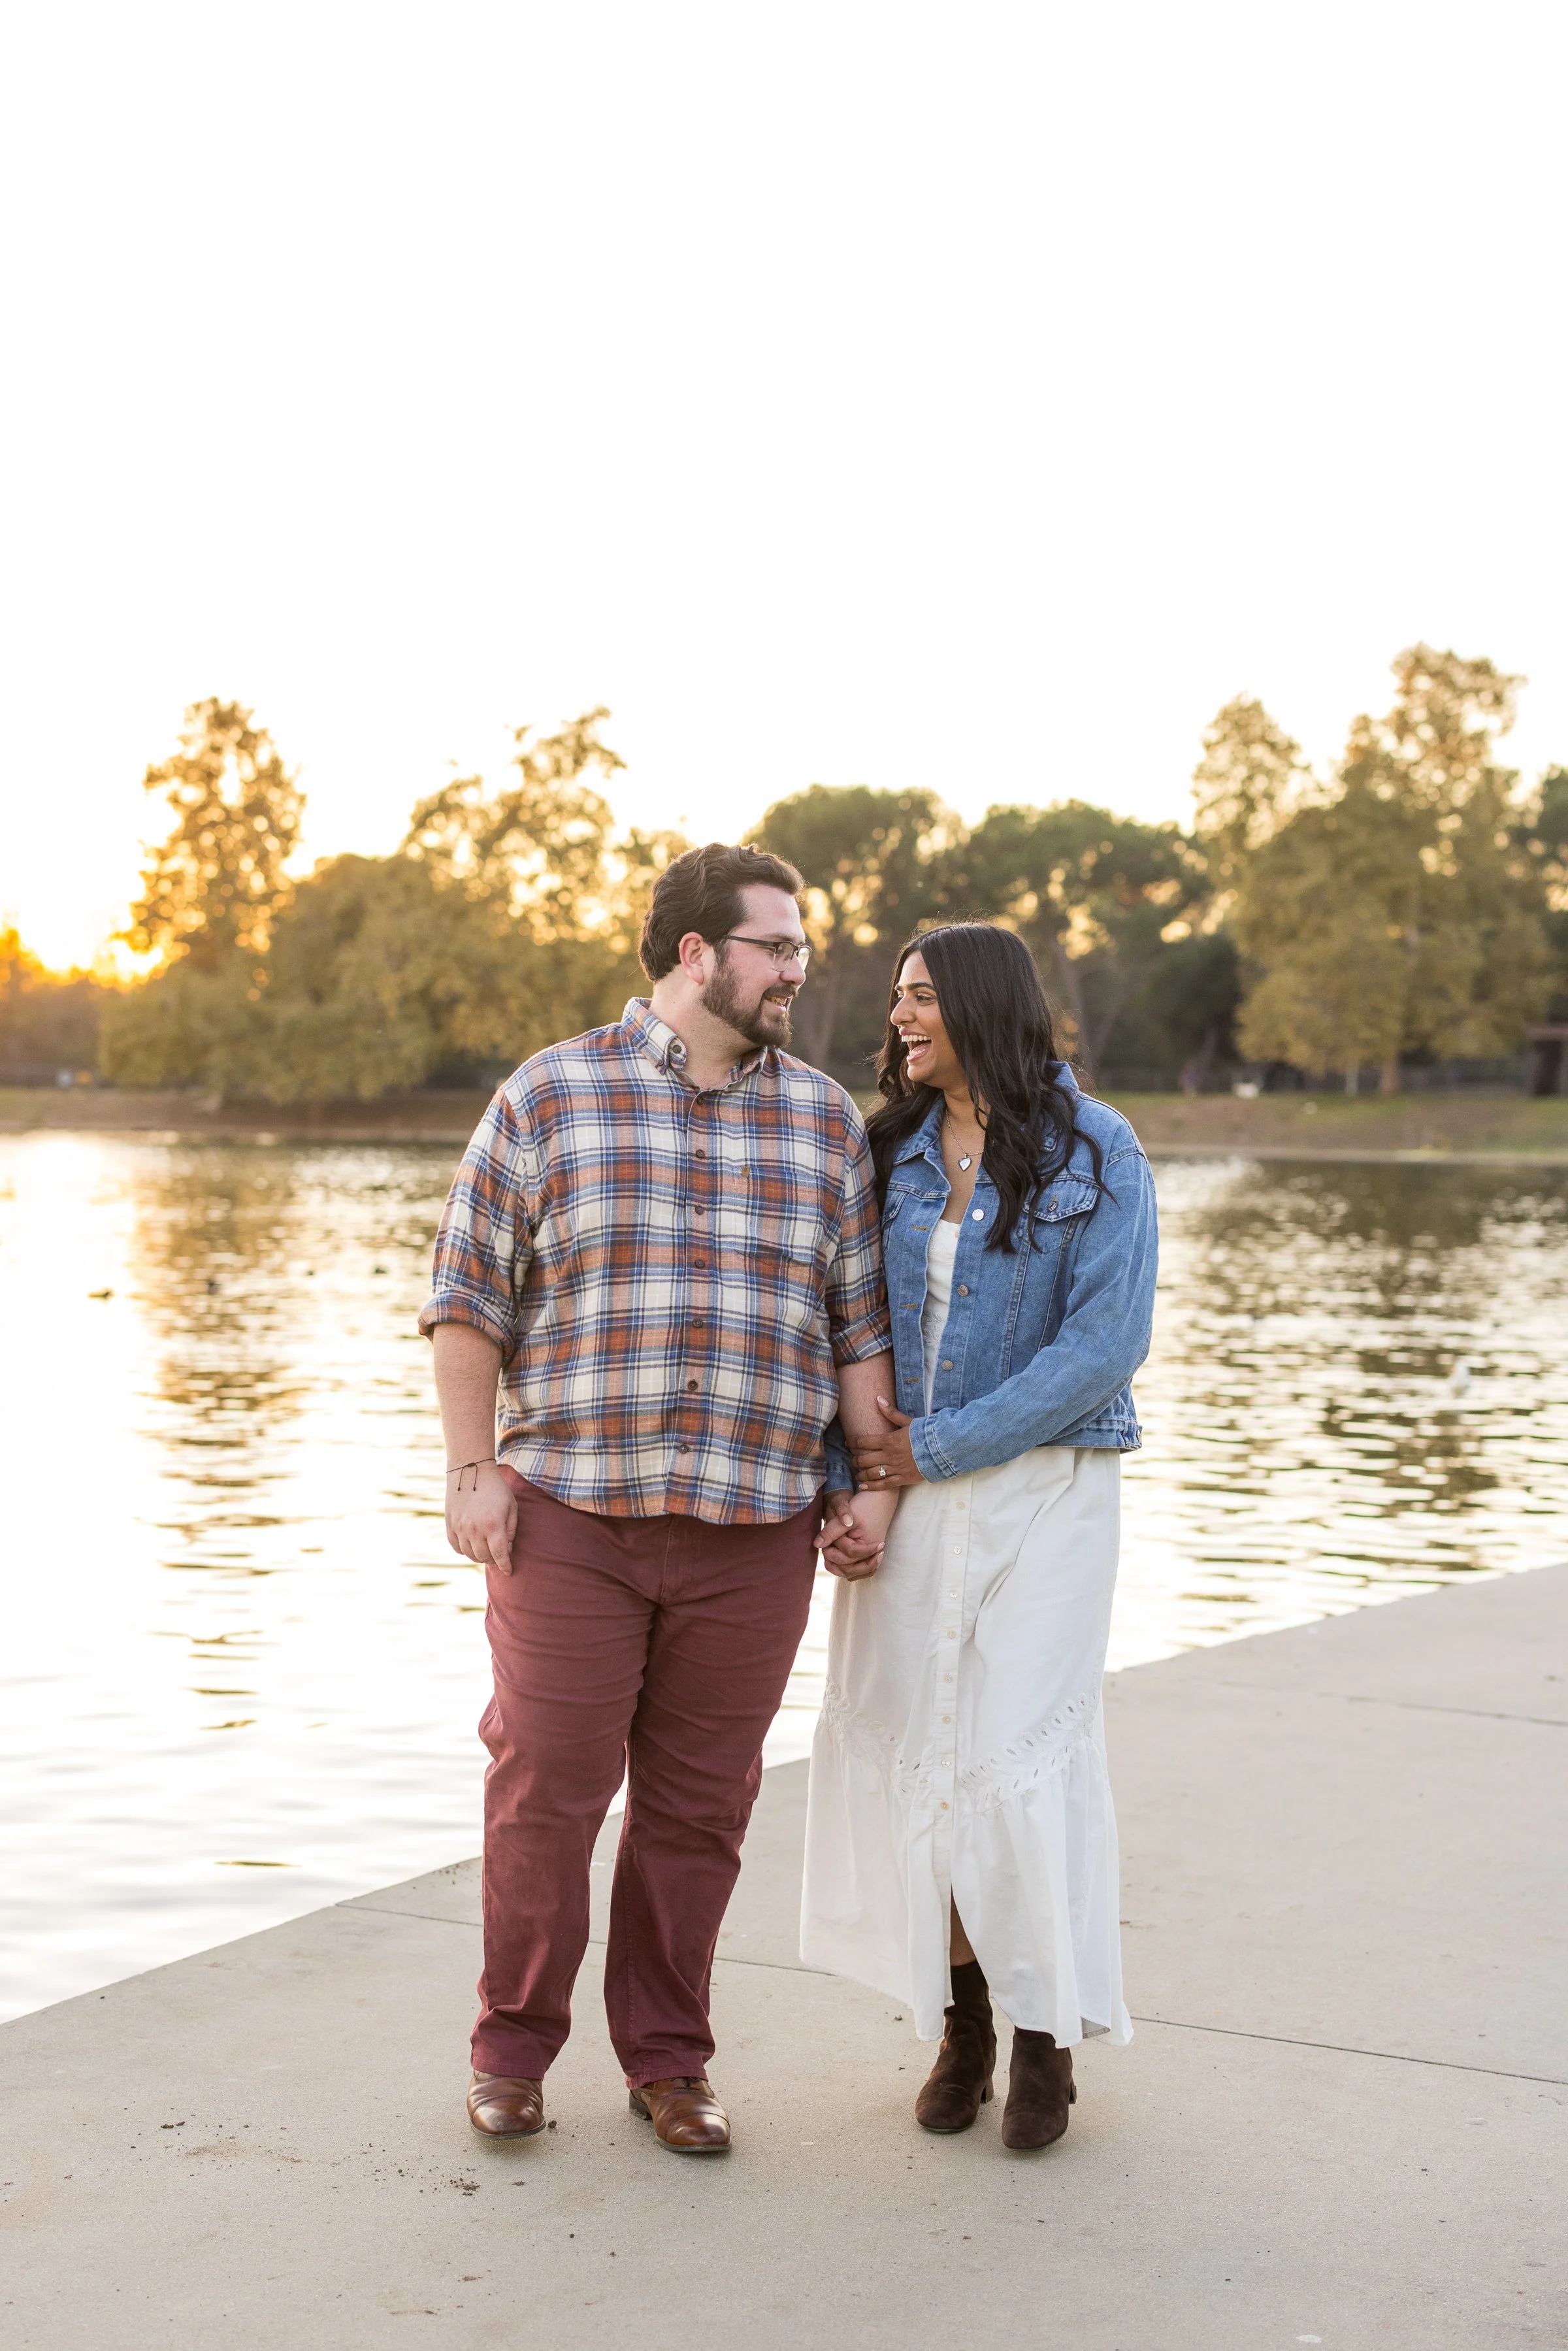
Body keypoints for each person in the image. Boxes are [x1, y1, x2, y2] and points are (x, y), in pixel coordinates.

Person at [420, 841, 895, 2156]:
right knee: (545, 1788)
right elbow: (467, 1305)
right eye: (778, 946)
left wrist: (877, 1486)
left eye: (800, 947)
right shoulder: (549, 1095)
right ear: (699, 954)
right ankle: (511, 2051)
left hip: (756, 1532)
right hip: (572, 1516)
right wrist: (473, 1474)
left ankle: (671, 2061)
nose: (800, 967)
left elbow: (860, 1334)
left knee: (702, 1809)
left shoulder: (821, 1121)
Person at [800, 922, 1158, 2150]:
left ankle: (1046, 2034)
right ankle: (962, 2027)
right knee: (927, 1759)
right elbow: (856, 1329)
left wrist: (940, 1448)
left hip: (1049, 1489)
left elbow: (1103, 1348)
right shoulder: (887, 1147)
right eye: (895, 999)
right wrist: (858, 1481)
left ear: (980, 1005)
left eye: (920, 999)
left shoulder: (1101, 1152)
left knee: (1016, 1761)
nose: (900, 1018)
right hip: (912, 1491)